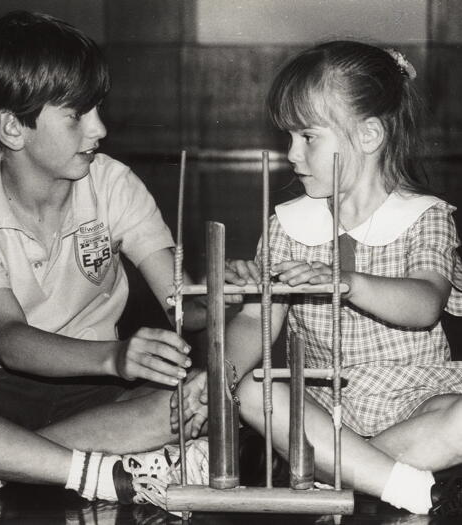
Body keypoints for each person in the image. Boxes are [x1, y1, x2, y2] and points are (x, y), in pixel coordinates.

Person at [0, 10, 213, 507]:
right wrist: (116, 356)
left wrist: (226, 292)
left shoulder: (114, 184)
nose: (100, 128)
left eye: (98, 109)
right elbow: (10, 341)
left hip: (91, 389)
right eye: (77, 115)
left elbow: (184, 304)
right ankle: (94, 471)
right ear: (13, 128)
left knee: (189, 403)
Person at [176, 40, 462, 517]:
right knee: (248, 389)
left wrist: (346, 281)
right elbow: (256, 322)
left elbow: (425, 303)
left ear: (369, 136)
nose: (291, 154)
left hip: (416, 400)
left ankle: (340, 475)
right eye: (288, 138)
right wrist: (220, 374)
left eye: (307, 138)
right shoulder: (290, 224)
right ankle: (400, 485)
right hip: (324, 407)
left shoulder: (425, 217)